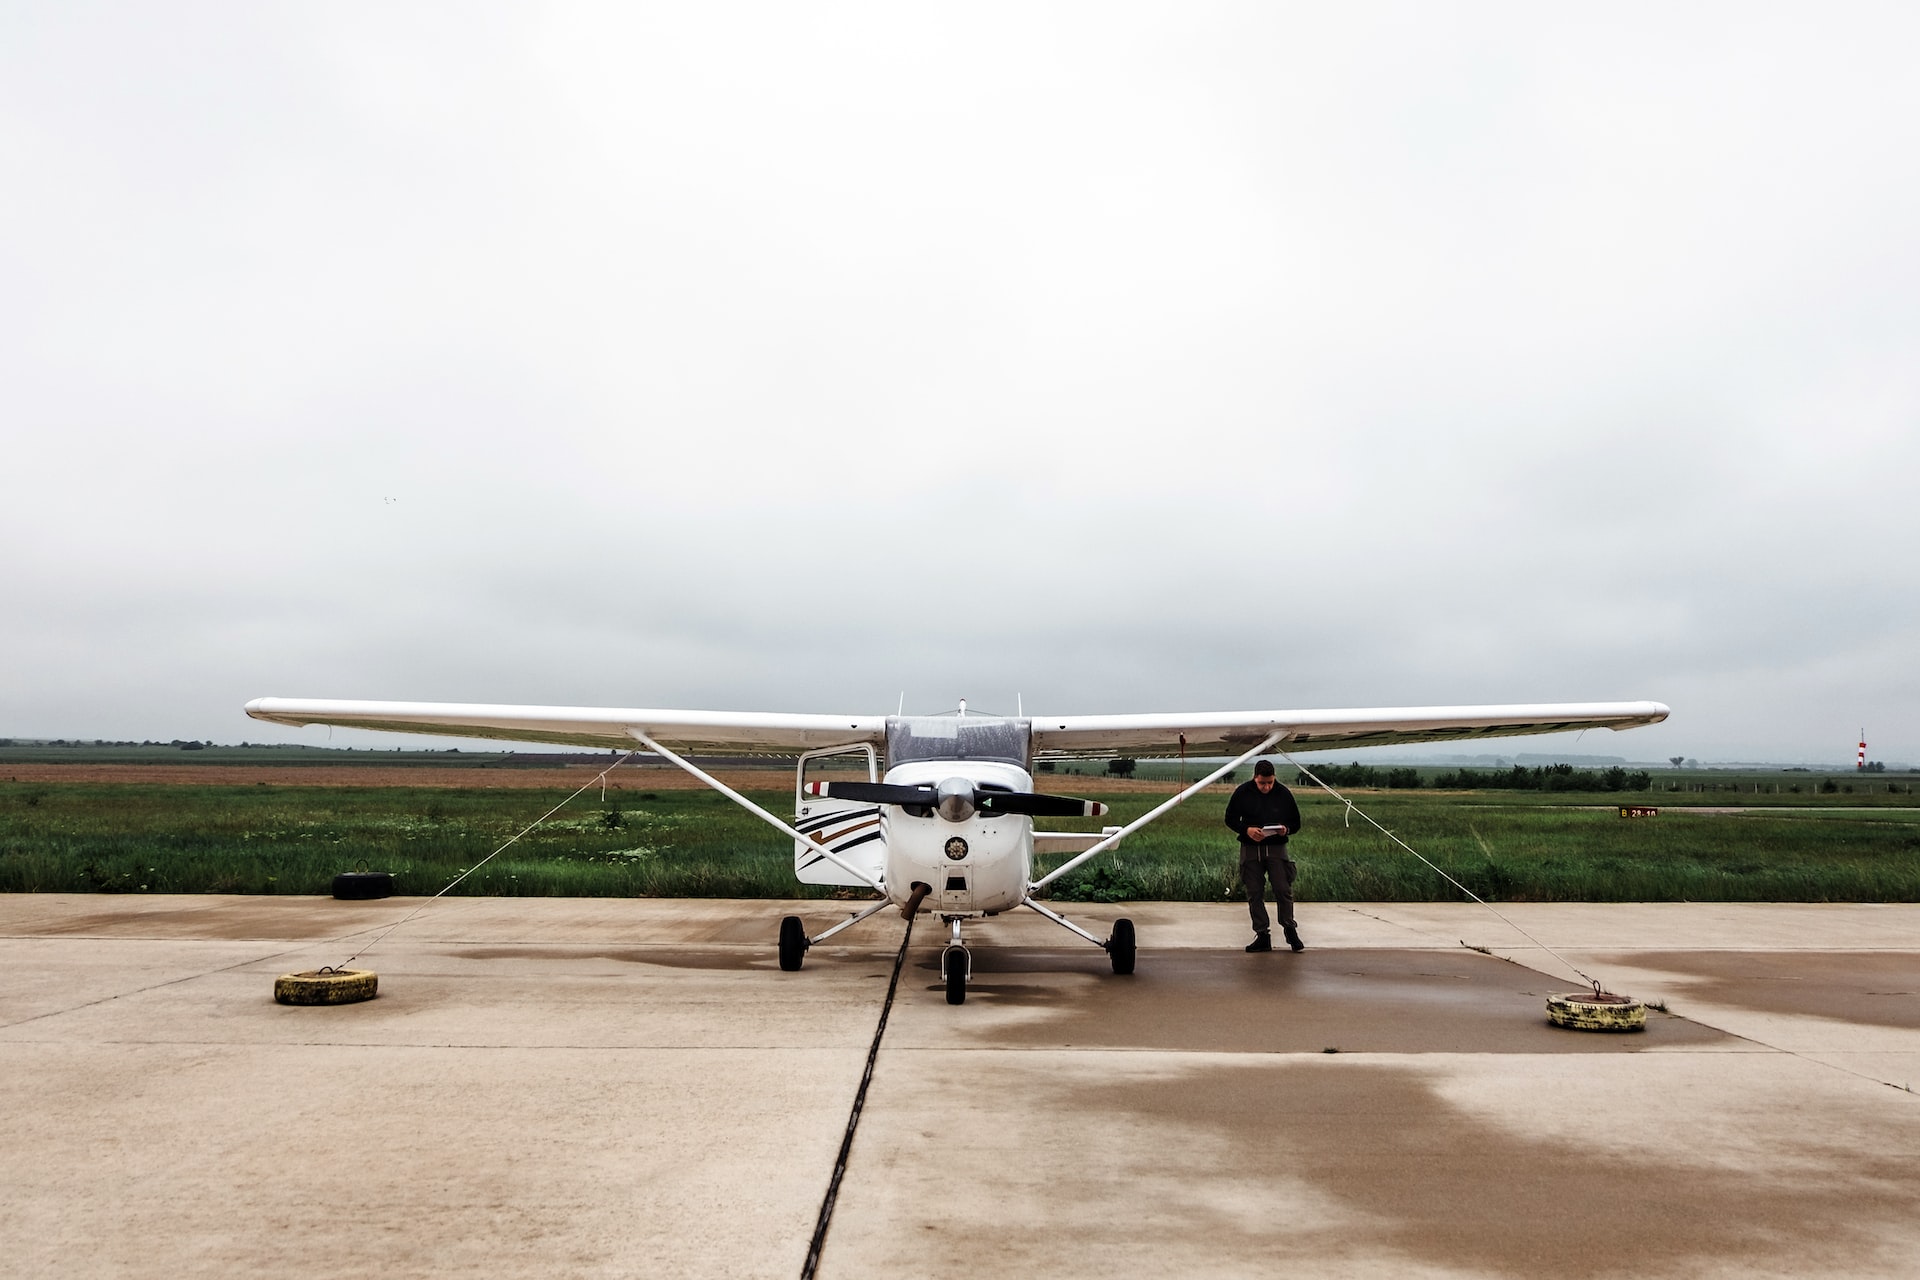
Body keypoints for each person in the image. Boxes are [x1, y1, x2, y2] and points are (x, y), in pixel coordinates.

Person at [1224, 760, 1304, 952]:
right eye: (1262, 783)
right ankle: (1262, 934)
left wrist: (1286, 829)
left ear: (1274, 778)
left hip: (1276, 848)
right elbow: (1230, 819)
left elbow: (1296, 822)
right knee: (1254, 892)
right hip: (1251, 848)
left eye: (1270, 783)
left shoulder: (1283, 793)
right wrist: (1247, 830)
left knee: (1283, 889)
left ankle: (1289, 928)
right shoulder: (1243, 792)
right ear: (1255, 778)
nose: (1267, 787)